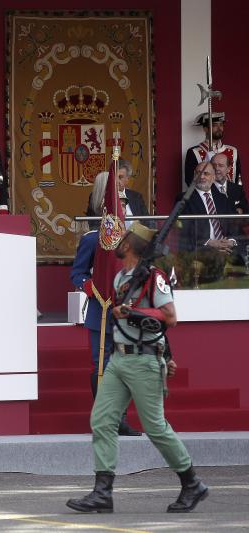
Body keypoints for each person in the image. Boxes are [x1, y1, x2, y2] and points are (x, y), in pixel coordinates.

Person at [66, 222, 209, 514]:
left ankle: (191, 482)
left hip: (144, 360)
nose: (118, 240)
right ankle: (102, 492)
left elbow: (170, 317)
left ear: (130, 245)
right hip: (119, 357)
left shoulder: (153, 277)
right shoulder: (122, 277)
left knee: (156, 427)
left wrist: (134, 312)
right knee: (102, 420)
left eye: (124, 237)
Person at [70, 213, 142, 437]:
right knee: (102, 365)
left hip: (126, 310)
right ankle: (105, 418)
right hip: (99, 309)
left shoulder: (132, 238)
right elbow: (78, 273)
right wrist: (94, 291)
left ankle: (120, 418)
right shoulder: (93, 238)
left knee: (127, 365)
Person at [179, 161, 237, 253]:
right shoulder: (184, 198)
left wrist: (231, 241)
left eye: (206, 174)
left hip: (227, 250)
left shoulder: (222, 198)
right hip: (200, 251)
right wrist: (209, 243)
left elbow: (234, 225)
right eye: (198, 173)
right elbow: (186, 230)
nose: (201, 177)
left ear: (213, 177)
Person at [184, 112, 240, 187]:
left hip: (229, 197)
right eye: (214, 125)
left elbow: (237, 180)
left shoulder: (233, 151)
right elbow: (190, 181)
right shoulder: (194, 152)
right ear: (205, 129)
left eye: (221, 125)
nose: (219, 128)